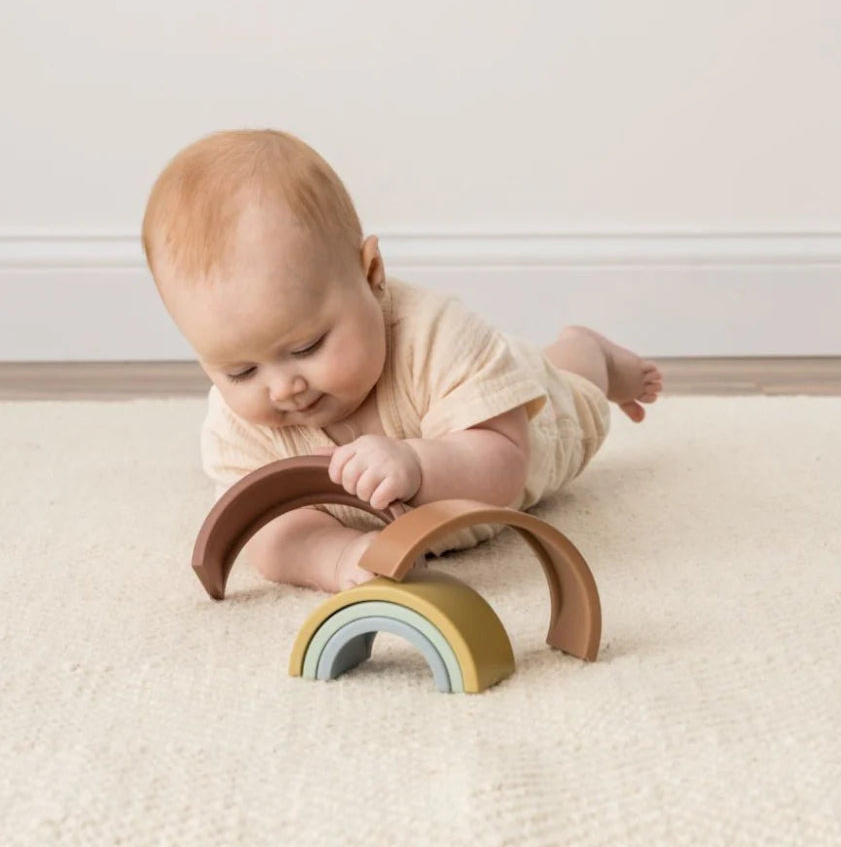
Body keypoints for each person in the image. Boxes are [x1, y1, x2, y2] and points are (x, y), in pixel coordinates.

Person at [142, 129, 663, 592]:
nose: (282, 388)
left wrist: (417, 464)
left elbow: (504, 464)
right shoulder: (238, 424)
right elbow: (266, 532)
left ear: (372, 276)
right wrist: (337, 555)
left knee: (571, 384)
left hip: (535, 425)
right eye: (241, 372)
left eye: (305, 348)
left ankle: (592, 350)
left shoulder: (435, 335)